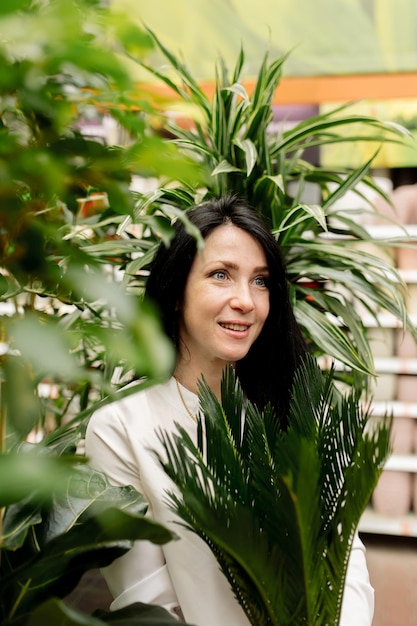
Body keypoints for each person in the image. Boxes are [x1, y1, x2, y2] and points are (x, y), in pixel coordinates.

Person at [85, 193, 374, 625]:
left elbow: (344, 557)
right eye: (221, 275)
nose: (246, 301)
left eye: (260, 281)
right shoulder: (120, 428)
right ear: (176, 291)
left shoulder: (296, 410)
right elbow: (149, 608)